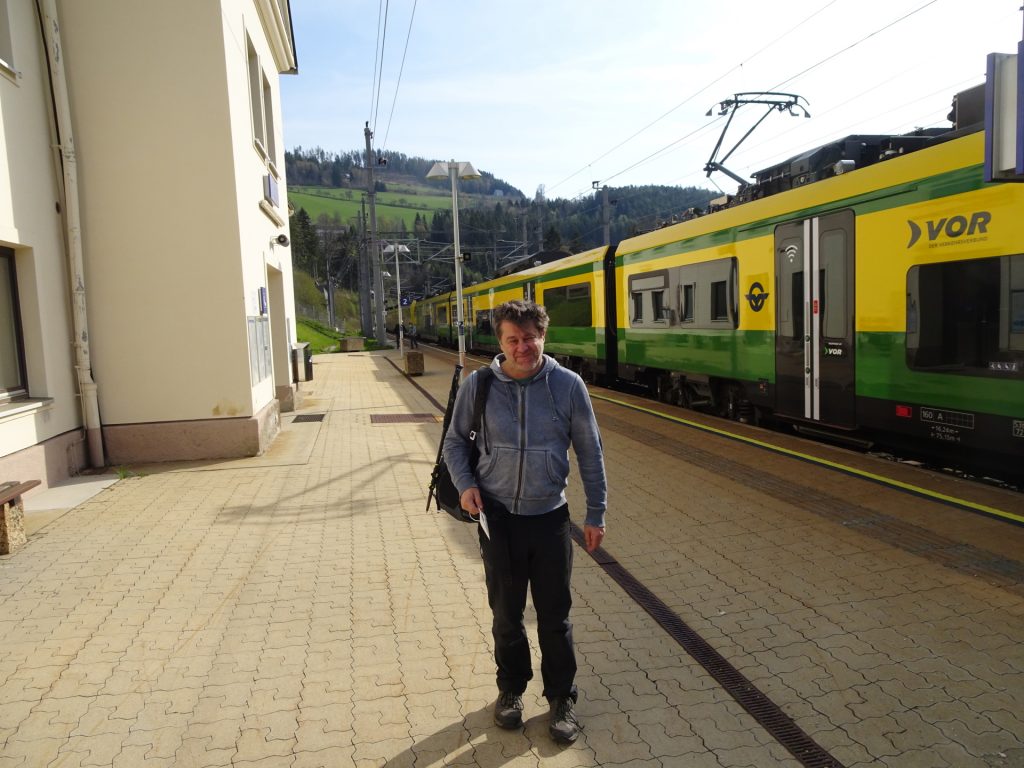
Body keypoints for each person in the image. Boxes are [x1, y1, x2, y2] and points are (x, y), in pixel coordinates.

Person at [443, 300, 607, 745]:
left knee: (555, 617)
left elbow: (590, 452)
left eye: (530, 338)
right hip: (498, 520)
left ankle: (561, 699)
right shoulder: (478, 386)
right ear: (499, 342)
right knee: (507, 615)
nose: (522, 348)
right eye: (513, 339)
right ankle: (511, 691)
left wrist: (596, 512)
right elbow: (455, 444)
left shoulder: (568, 386)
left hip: (550, 518)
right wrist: (464, 484)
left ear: (543, 337)